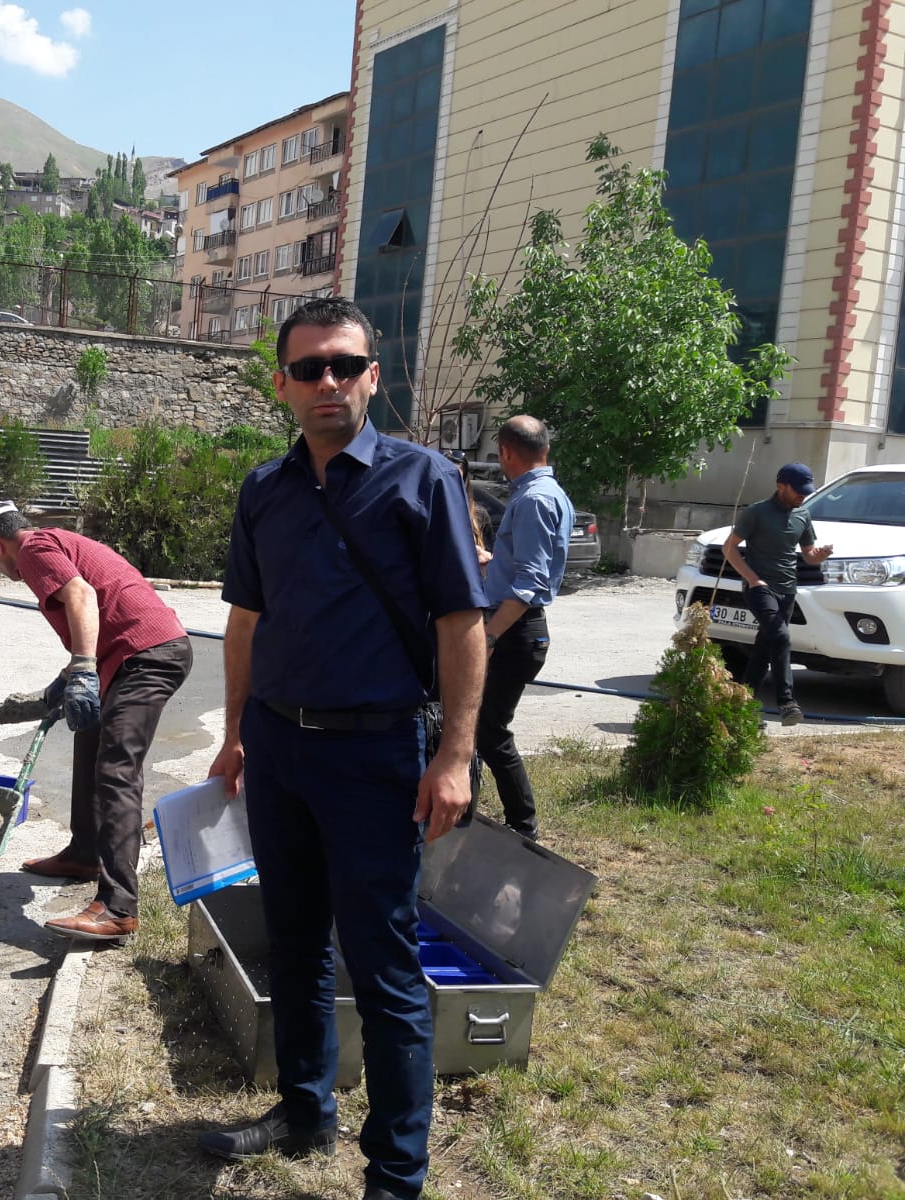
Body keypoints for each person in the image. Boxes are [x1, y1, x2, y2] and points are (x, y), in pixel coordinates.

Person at [198, 296, 486, 1200]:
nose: (328, 381)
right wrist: (238, 732)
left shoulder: (423, 480)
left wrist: (455, 758)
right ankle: (303, 1108)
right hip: (279, 751)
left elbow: (463, 624)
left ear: (372, 375)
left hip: (375, 761)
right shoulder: (263, 490)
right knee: (294, 942)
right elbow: (245, 620)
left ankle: (394, 1176)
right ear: (282, 383)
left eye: (345, 364)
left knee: (385, 964)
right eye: (309, 367)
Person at [0, 501, 191, 941]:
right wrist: (60, 685)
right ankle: (84, 853)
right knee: (87, 735)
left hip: (146, 656)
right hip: (130, 655)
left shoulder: (33, 549)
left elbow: (82, 596)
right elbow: (93, 610)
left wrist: (85, 668)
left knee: (116, 771)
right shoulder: (54, 541)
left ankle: (118, 908)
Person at [476, 415, 574, 840]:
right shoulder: (545, 493)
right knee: (481, 725)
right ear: (545, 450)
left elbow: (531, 583)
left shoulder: (534, 499)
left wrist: (490, 635)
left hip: (515, 631)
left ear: (506, 453)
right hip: (517, 627)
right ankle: (486, 812)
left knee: (489, 730)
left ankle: (522, 826)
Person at [722, 462, 833, 725]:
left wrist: (820, 555)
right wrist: (752, 579)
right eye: (797, 490)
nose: (802, 496)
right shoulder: (757, 512)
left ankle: (742, 709)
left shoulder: (803, 515)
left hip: (788, 590)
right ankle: (787, 703)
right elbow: (729, 548)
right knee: (781, 637)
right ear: (780, 485)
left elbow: (808, 555)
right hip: (759, 588)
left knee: (763, 650)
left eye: (805, 491)